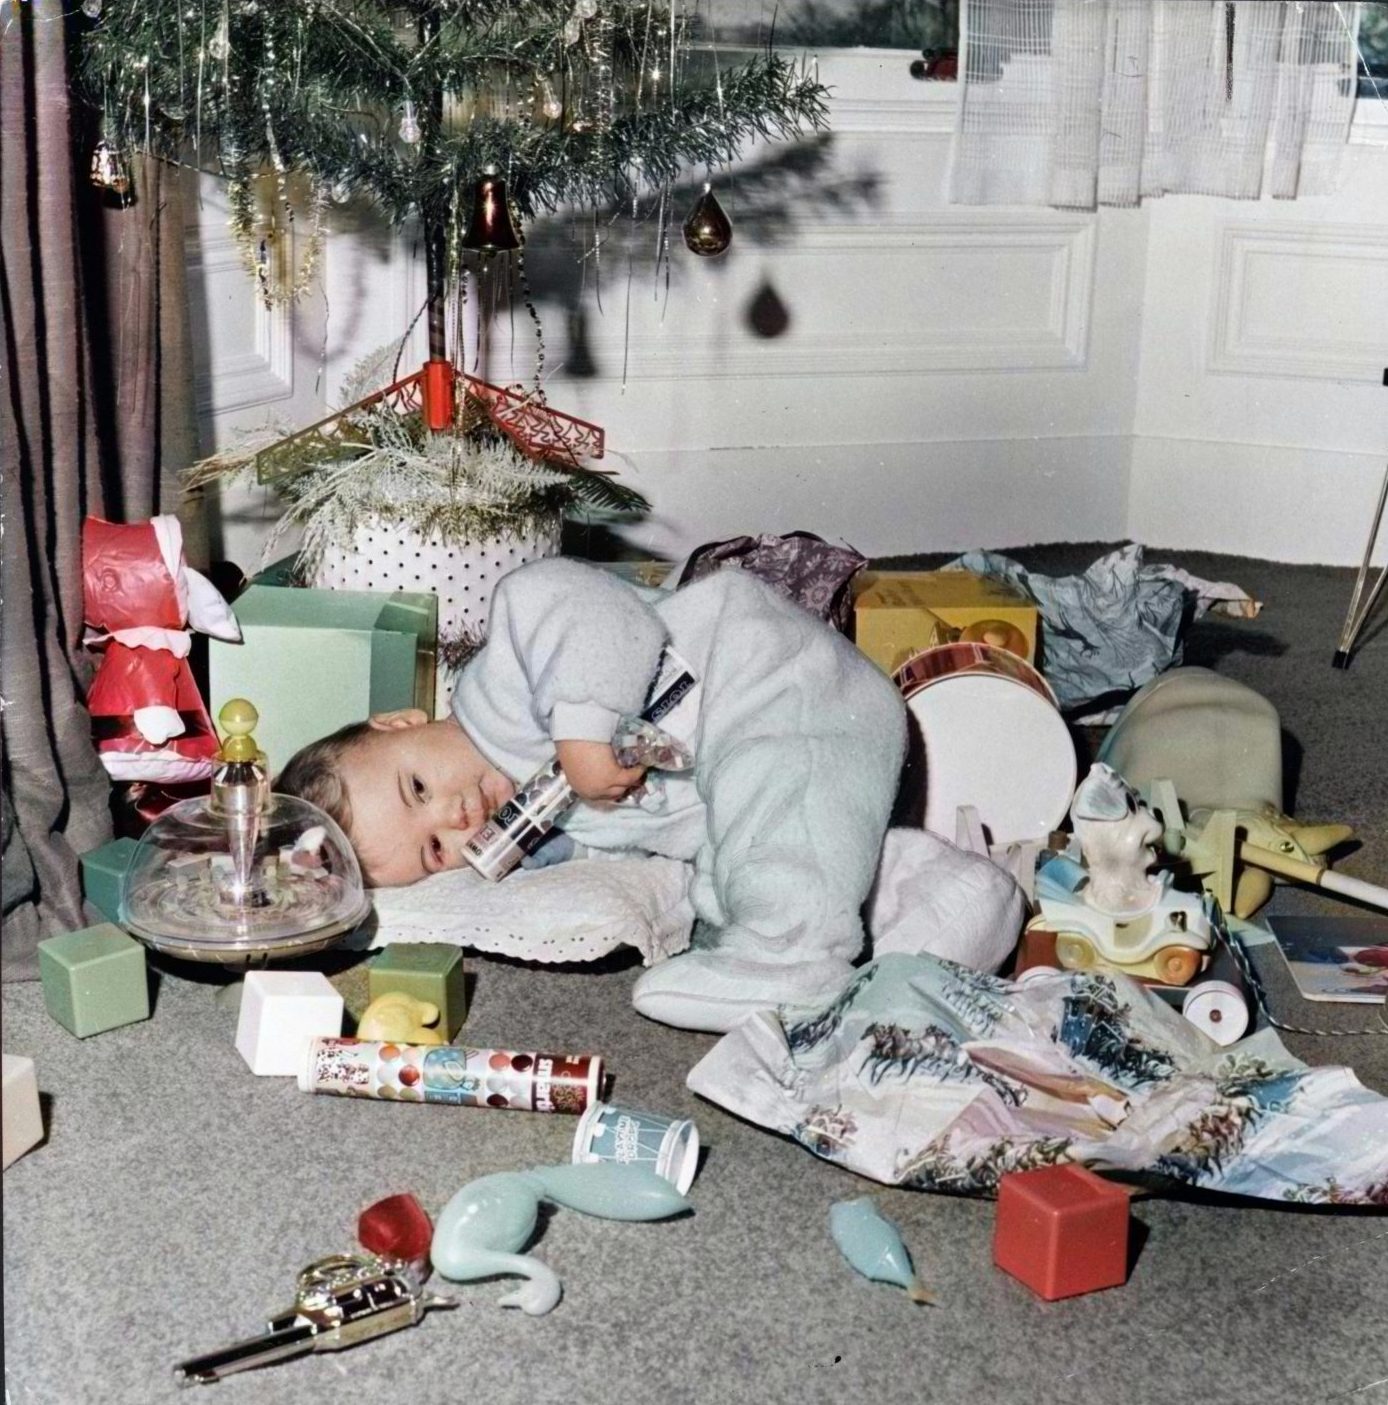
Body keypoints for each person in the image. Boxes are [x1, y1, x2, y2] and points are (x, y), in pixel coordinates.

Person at [278, 557, 906, 1033]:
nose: (454, 815)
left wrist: (582, 729)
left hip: (769, 680)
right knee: (741, 869)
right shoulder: (537, 818)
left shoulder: (504, 682)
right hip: (735, 784)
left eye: (417, 788)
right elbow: (623, 846)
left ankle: (790, 956)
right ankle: (929, 903)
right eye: (435, 850)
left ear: (401, 722)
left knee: (777, 803)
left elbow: (581, 605)